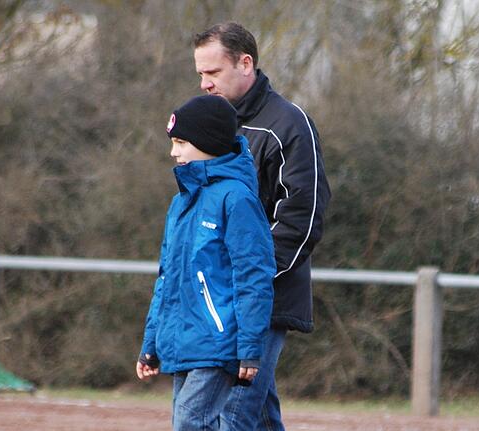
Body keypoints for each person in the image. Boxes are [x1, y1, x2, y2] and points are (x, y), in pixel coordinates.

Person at [193, 22, 331, 431]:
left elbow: (302, 217)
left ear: (245, 63)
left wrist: (250, 278)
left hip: (263, 299)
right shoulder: (210, 125)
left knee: (230, 417)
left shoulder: (289, 124)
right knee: (257, 417)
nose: (204, 84)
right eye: (200, 74)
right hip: (220, 297)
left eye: (213, 73)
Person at [135, 95, 276, 431]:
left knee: (191, 423)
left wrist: (250, 347)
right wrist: (151, 342)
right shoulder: (180, 203)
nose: (174, 152)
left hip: (218, 344)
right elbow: (167, 278)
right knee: (190, 423)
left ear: (208, 142)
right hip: (185, 342)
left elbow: (253, 276)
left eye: (181, 142)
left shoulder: (236, 198)